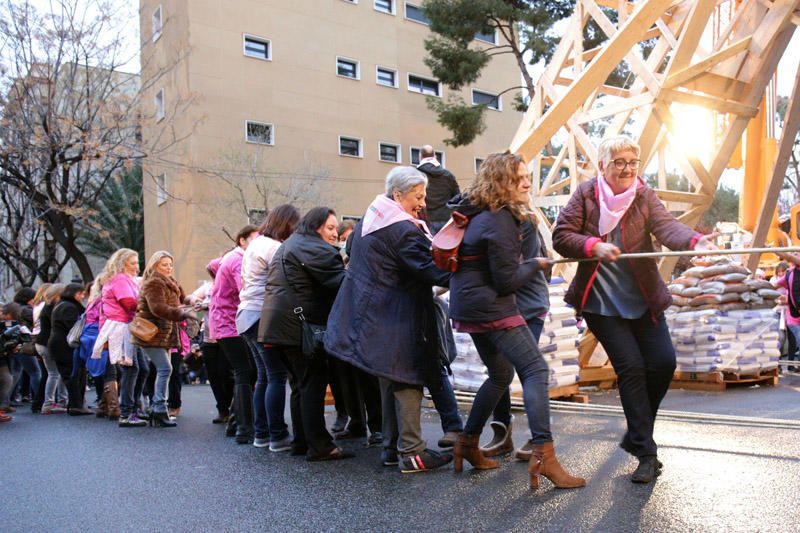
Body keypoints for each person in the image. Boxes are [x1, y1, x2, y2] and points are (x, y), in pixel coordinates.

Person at [552, 135, 717, 484]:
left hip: (643, 299)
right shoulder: (585, 194)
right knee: (631, 368)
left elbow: (667, 226)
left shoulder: (643, 195)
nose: (627, 169)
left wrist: (694, 241)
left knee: (663, 363)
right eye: (619, 163)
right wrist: (592, 245)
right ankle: (646, 452)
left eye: (632, 162)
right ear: (603, 166)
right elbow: (561, 235)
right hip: (602, 304)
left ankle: (637, 433)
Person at [447, 151, 584, 489]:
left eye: (527, 175)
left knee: (500, 374)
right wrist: (536, 264)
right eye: (518, 177)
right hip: (494, 309)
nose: (527, 181)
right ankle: (545, 455)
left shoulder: (476, 212)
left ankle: (467, 442)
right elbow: (506, 281)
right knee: (535, 370)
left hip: (468, 307)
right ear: (500, 181)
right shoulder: (501, 220)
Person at [325, 167, 453, 473]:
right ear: (398, 195)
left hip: (369, 314)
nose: (422, 203)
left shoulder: (370, 220)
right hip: (396, 315)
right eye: (417, 197)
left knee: (389, 378)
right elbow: (428, 270)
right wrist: (466, 271)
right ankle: (413, 451)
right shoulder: (404, 230)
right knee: (407, 376)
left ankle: (390, 449)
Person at [259, 207, 353, 462]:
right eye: (330, 228)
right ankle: (320, 445)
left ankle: (302, 441)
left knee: (300, 385)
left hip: (277, 325)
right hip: (300, 327)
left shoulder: (291, 244)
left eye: (336, 228)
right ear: (316, 226)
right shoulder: (316, 249)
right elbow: (343, 285)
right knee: (312, 384)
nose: (334, 234)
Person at [237, 205, 298, 451]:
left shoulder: (256, 243)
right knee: (276, 376)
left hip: (245, 315)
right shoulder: (275, 248)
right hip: (263, 316)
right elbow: (286, 282)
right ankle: (277, 435)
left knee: (264, 376)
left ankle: (261, 433)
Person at [132, 251, 195, 428]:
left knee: (164, 369)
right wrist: (181, 312)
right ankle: (159, 408)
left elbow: (182, 299)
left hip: (165, 333)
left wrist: (192, 301)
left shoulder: (171, 282)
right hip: (152, 333)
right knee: (165, 369)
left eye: (170, 265)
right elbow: (157, 308)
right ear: (154, 266)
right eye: (164, 265)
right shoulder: (154, 282)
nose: (168, 268)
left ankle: (158, 408)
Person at [210, 224, 259, 444]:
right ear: (242, 240)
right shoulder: (239, 260)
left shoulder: (229, 258)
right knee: (245, 372)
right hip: (230, 323)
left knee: (247, 371)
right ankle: (243, 427)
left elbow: (211, 265)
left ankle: (237, 422)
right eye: (254, 240)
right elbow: (245, 289)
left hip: (224, 323)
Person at [91, 249, 145, 425]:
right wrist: (148, 303)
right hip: (122, 327)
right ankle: (128, 412)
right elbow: (129, 303)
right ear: (123, 264)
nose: (137, 267)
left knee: (140, 368)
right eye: (133, 263)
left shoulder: (121, 280)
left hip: (124, 326)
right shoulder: (121, 280)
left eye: (137, 263)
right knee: (132, 368)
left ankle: (132, 409)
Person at [48, 283, 91, 416]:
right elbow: (73, 327)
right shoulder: (69, 307)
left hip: (58, 344)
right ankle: (76, 405)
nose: (82, 296)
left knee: (71, 374)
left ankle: (75, 404)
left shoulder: (61, 305)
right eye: (80, 293)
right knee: (73, 374)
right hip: (64, 346)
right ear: (74, 293)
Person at [36, 284, 69, 415]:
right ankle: (49, 403)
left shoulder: (46, 306)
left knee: (54, 373)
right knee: (54, 374)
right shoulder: (54, 308)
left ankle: (58, 401)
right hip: (47, 343)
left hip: (42, 342)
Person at [10, 288, 42, 412]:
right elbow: (36, 322)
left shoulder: (16, 308)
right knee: (35, 371)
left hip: (16, 343)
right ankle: (39, 398)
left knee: (16, 371)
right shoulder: (27, 310)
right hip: (25, 343)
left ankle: (8, 399)